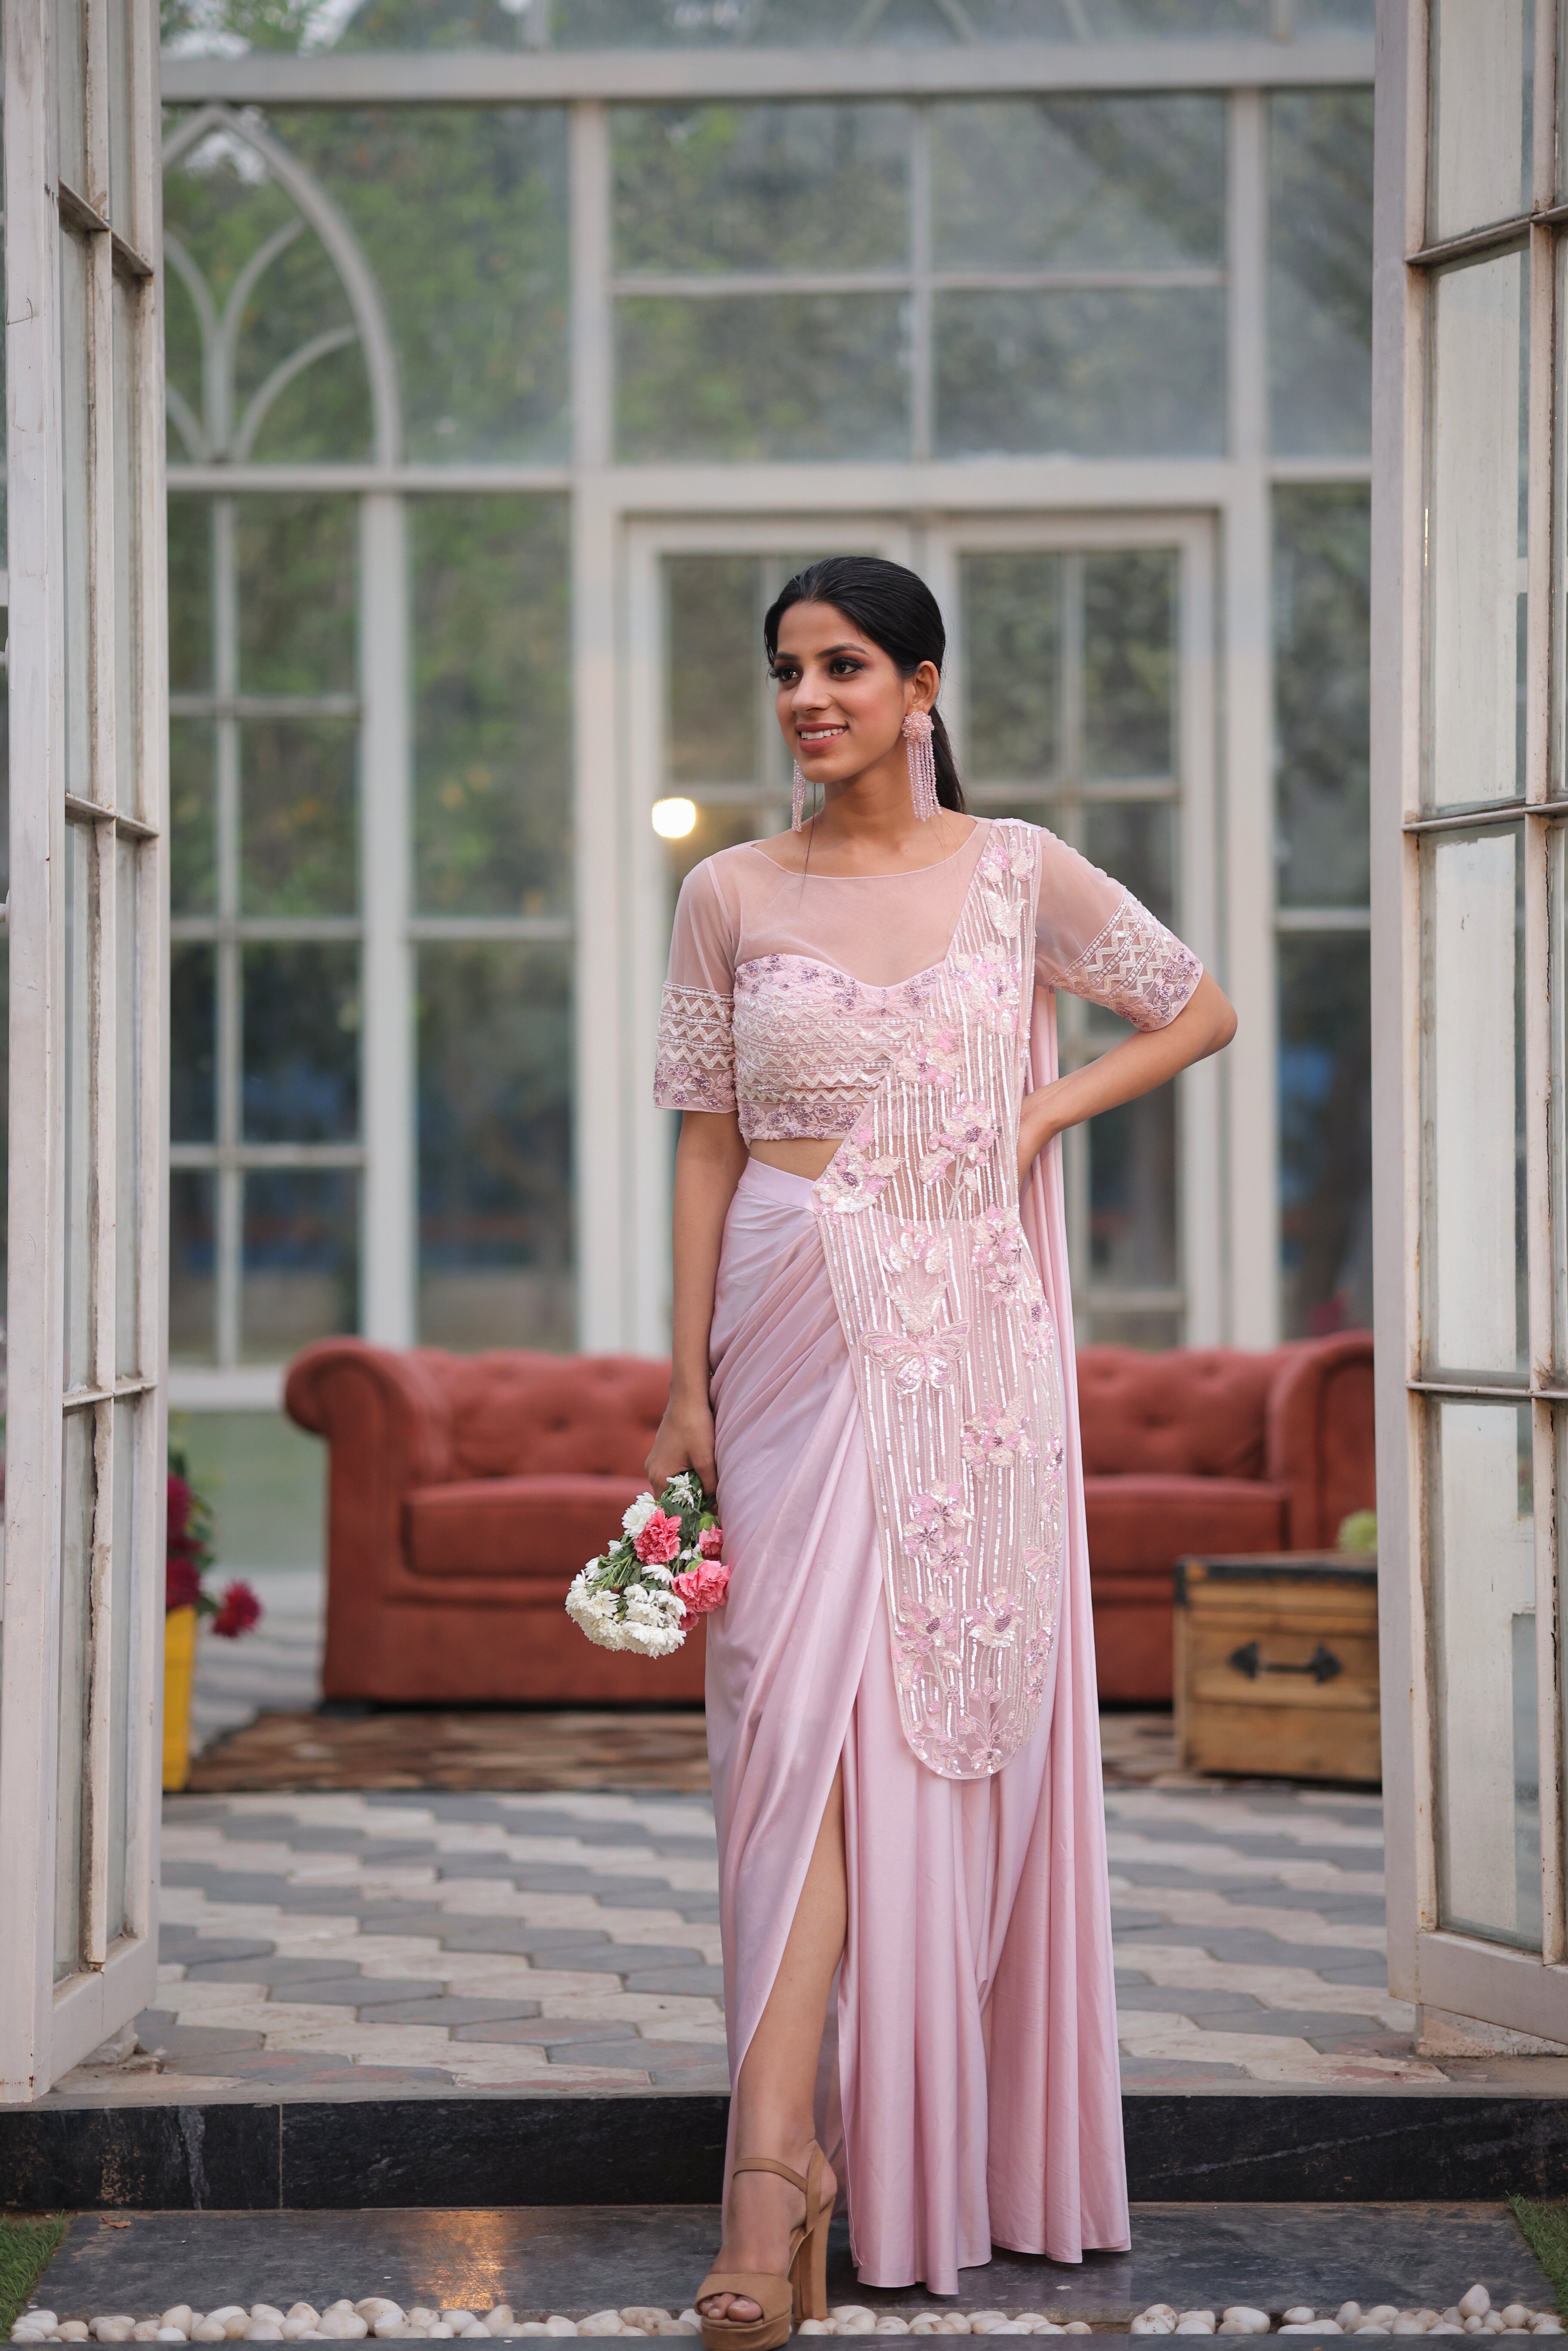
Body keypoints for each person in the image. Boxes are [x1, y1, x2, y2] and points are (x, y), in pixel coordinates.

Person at [647, 557, 1236, 2351]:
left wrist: (1038, 1111)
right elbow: (704, 1148)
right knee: (784, 1728)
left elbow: (1193, 1003)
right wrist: (681, 1387)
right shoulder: (726, 894)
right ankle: (782, 2151)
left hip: (964, 1334)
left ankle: (795, 2166)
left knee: (905, 1723)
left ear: (919, 685)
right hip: (783, 1322)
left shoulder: (1014, 871)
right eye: (782, 671)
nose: (805, 696)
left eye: (839, 666)